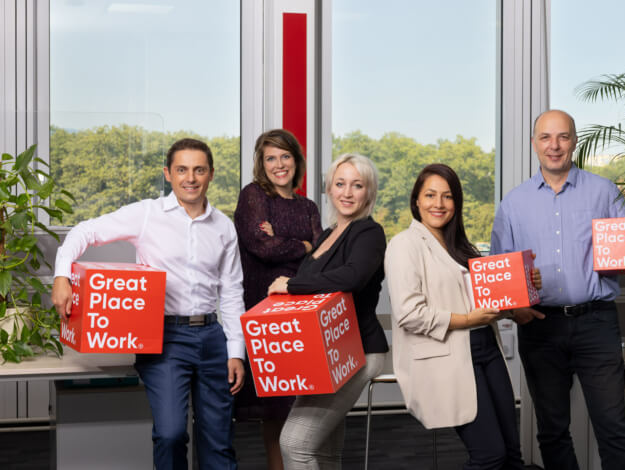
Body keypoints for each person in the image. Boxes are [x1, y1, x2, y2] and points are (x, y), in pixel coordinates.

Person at [51, 138, 245, 470]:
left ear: (211, 174)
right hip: (165, 339)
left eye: (199, 170)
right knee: (170, 434)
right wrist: (61, 276)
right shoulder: (146, 215)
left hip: (213, 337)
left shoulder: (224, 227)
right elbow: (84, 232)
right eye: (182, 170)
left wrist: (235, 351)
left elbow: (231, 291)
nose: (191, 178)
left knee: (218, 440)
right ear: (168, 174)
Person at [490, 109, 625, 470]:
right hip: (539, 327)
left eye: (563, 137)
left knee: (612, 427)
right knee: (552, 431)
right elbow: (500, 276)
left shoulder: (604, 192)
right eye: (546, 137)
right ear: (534, 143)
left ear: (574, 141)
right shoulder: (513, 204)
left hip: (596, 324)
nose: (554, 146)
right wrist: (514, 309)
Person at [386, 163, 538, 469]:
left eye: (447, 196)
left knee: (511, 454)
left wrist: (522, 291)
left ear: (457, 202)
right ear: (416, 200)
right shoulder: (405, 244)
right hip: (451, 355)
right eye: (430, 195)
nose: (438, 204)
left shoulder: (461, 246)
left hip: (486, 350)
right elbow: (409, 314)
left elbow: (481, 300)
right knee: (489, 455)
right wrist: (469, 320)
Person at [267, 153, 389, 469]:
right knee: (322, 451)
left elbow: (352, 277)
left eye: (357, 185)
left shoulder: (368, 232)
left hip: (356, 351)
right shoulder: (327, 234)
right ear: (329, 189)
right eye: (340, 184)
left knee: (294, 443)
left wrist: (291, 285)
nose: (347, 193)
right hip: (327, 352)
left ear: (369, 192)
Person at [233, 129, 322, 470]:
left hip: (300, 309)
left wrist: (291, 243)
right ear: (261, 163)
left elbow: (319, 258)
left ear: (296, 161)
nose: (279, 164)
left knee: (302, 402)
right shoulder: (254, 195)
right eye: (271, 158)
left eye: (285, 156)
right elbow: (262, 247)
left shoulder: (308, 205)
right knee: (275, 407)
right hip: (265, 310)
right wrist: (302, 245)